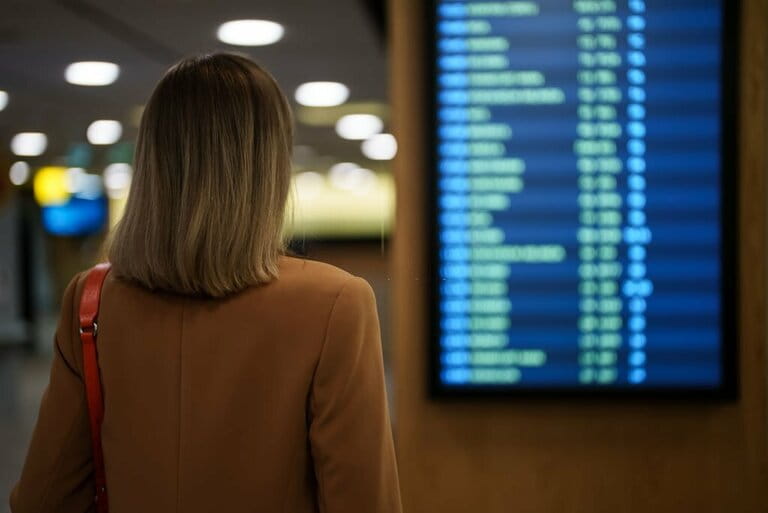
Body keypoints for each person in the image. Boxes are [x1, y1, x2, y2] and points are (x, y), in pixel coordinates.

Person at [10, 53, 402, 513]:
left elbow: (43, 497)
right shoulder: (336, 303)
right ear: (269, 167)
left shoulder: (92, 301)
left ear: (152, 162)